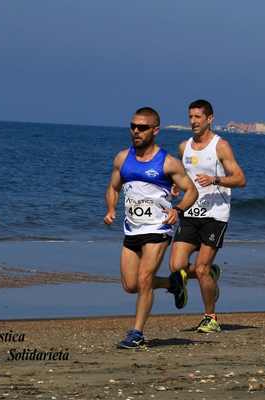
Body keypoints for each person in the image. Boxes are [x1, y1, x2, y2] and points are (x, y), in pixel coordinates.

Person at [104, 107, 198, 349]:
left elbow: (192, 191)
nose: (136, 131)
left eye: (142, 127)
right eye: (133, 126)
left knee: (145, 280)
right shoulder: (122, 158)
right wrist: (111, 209)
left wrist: (177, 210)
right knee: (131, 285)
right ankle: (173, 284)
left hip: (158, 228)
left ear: (155, 130)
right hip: (132, 229)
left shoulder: (168, 162)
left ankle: (137, 333)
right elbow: (114, 187)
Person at [169, 99, 246, 333]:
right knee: (177, 266)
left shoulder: (220, 146)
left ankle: (210, 318)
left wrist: (215, 180)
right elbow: (183, 175)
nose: (193, 121)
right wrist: (176, 186)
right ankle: (212, 274)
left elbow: (240, 179)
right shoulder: (184, 147)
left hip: (216, 215)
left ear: (209, 119)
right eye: (190, 117)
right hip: (191, 211)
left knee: (200, 268)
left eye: (198, 117)